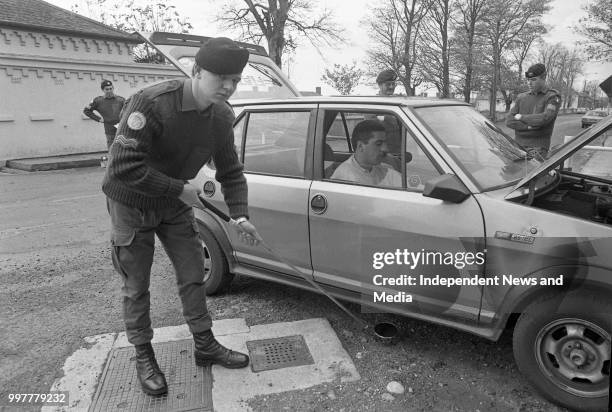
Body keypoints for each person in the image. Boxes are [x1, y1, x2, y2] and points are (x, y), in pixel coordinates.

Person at [102, 37, 262, 396]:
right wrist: (177, 189)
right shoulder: (152, 103)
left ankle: (204, 344)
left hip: (173, 203)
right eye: (220, 77)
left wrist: (240, 215)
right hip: (131, 202)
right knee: (136, 283)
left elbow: (231, 171)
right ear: (196, 71)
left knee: (193, 273)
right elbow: (122, 167)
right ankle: (144, 354)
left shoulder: (222, 116)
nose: (228, 86)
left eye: (235, 79)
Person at [505, 63, 562, 158]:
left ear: (543, 78)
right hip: (517, 146)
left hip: (537, 150)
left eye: (533, 80)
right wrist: (529, 127)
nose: (529, 83)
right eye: (528, 80)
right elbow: (509, 121)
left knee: (533, 173)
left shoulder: (552, 97)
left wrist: (521, 117)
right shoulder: (521, 97)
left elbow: (544, 118)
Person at [331, 119, 402, 187]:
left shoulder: (385, 168)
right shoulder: (343, 178)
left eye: (385, 143)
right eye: (378, 144)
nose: (385, 149)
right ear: (360, 146)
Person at [83, 80, 126, 149]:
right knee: (112, 149)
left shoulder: (121, 100)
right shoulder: (98, 101)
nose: (109, 91)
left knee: (123, 149)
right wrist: (99, 119)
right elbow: (86, 111)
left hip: (122, 129)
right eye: (107, 89)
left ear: (113, 88)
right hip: (109, 131)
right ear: (103, 90)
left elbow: (128, 111)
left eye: (110, 88)